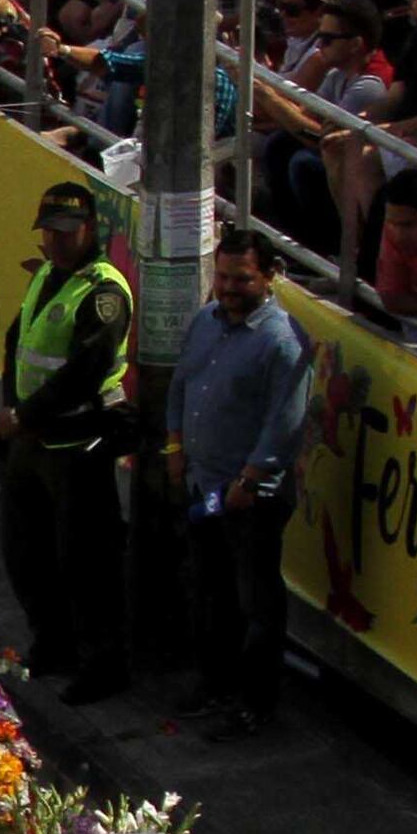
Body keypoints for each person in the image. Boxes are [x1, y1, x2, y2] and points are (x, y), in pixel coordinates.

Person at [169, 229, 315, 736]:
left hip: (250, 499)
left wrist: (250, 481)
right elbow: (181, 384)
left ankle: (255, 705)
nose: (228, 287)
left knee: (257, 604)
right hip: (203, 485)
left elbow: (286, 424)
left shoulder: (283, 341)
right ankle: (215, 684)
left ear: (270, 276)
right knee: (210, 591)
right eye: (223, 276)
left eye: (241, 278)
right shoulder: (205, 321)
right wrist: (174, 446)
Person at [0, 182, 138, 699]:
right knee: (25, 550)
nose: (55, 242)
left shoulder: (102, 291)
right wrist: (13, 407)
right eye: (48, 233)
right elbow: (20, 341)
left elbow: (86, 370)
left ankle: (103, 664)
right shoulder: (49, 277)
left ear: (89, 230)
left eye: (65, 233)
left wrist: (24, 414)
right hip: (34, 438)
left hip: (78, 444)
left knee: (87, 561)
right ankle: (52, 643)